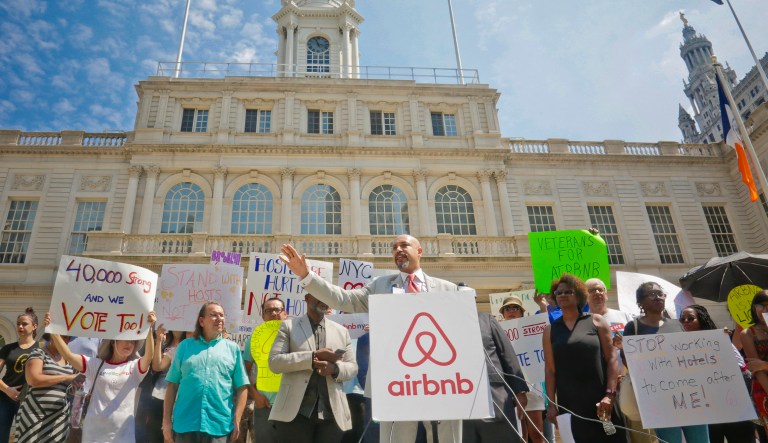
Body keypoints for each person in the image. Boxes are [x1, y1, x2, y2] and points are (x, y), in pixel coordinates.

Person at [279, 235, 464, 443]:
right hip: (397, 381)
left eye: (404, 245)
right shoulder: (380, 286)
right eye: (394, 247)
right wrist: (306, 275)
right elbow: (344, 299)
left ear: (419, 251)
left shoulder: (449, 290)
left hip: (440, 381)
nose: (398, 250)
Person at [47, 311, 156, 443]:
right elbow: (69, 355)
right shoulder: (95, 365)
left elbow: (149, 356)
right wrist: (53, 330)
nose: (129, 344)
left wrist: (150, 328)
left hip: (123, 433)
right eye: (125, 339)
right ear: (112, 342)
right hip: (93, 433)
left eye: (133, 342)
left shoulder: (135, 367)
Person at [620, 282, 708, 443]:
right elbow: (628, 362)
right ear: (640, 302)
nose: (658, 297)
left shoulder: (679, 324)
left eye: (661, 294)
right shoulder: (633, 327)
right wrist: (625, 348)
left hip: (690, 397)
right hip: (660, 400)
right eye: (652, 294)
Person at [543, 274, 625, 442]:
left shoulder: (597, 321)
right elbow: (550, 370)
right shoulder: (550, 331)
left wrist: (609, 394)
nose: (563, 295)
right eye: (558, 293)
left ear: (579, 295)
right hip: (570, 403)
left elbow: (611, 360)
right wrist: (551, 404)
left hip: (601, 401)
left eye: (568, 291)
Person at [268, 293, 357, 443]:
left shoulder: (341, 331)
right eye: (318, 294)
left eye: (327, 295)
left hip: (332, 414)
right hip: (295, 414)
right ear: (307, 298)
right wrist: (311, 357)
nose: (324, 299)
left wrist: (334, 369)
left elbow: (352, 368)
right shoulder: (288, 327)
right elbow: (275, 362)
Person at [163, 302, 249, 443]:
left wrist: (237, 419)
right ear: (201, 321)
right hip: (185, 424)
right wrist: (166, 422)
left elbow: (242, 387)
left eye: (222, 315)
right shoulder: (185, 346)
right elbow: (172, 385)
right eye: (214, 315)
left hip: (219, 426)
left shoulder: (233, 349)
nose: (219, 318)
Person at [680, 304, 753, 443]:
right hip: (707, 408)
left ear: (701, 319)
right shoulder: (679, 346)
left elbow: (741, 369)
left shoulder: (719, 339)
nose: (686, 322)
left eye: (690, 319)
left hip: (733, 403)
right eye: (682, 319)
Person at [464, 311, 528, 442]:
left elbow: (507, 354)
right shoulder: (443, 321)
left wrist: (519, 391)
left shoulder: (486, 319)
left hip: (495, 398)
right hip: (462, 402)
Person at [13, 332, 80, 442]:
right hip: (35, 414)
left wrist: (76, 385)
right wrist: (65, 377)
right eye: (64, 337)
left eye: (69, 337)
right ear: (54, 335)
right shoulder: (39, 352)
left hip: (59, 417)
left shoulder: (69, 359)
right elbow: (33, 379)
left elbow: (70, 387)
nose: (67, 340)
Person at [497, 296, 544, 443]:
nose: (511, 311)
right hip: (508, 389)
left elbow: (543, 323)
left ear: (521, 312)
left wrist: (542, 305)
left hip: (531, 386)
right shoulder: (496, 329)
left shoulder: (529, 327)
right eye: (507, 308)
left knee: (537, 434)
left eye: (515, 308)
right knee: (519, 436)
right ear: (503, 313)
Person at [249, 297, 287, 443]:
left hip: (291, 406)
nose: (273, 313)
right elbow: (243, 372)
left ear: (285, 314)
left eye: (277, 309)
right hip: (264, 406)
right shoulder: (254, 339)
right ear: (263, 315)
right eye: (268, 310)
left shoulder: (296, 337)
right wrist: (255, 396)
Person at [0, 307, 39, 443]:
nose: (20, 326)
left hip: (29, 399)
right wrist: (7, 390)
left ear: (35, 326)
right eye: (18, 324)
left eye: (24, 324)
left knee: (27, 437)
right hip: (5, 398)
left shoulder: (41, 349)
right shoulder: (7, 348)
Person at [145, 327, 185, 443]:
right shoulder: (167, 344)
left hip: (180, 399)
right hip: (160, 396)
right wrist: (158, 340)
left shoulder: (191, 346)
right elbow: (157, 366)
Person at [742, 290, 768, 438]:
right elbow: (756, 369)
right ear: (754, 307)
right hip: (763, 388)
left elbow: (761, 366)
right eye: (761, 305)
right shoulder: (748, 333)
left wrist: (764, 364)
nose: (765, 310)